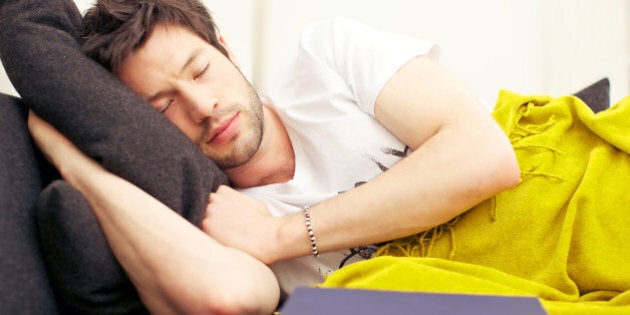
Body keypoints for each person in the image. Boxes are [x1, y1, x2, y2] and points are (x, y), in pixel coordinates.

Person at [26, 0, 520, 312]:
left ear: (226, 49)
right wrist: (77, 164)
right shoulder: (218, 217)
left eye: (199, 71)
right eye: (164, 106)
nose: (203, 107)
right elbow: (226, 299)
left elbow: (484, 154)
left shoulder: (329, 57)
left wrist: (280, 235)